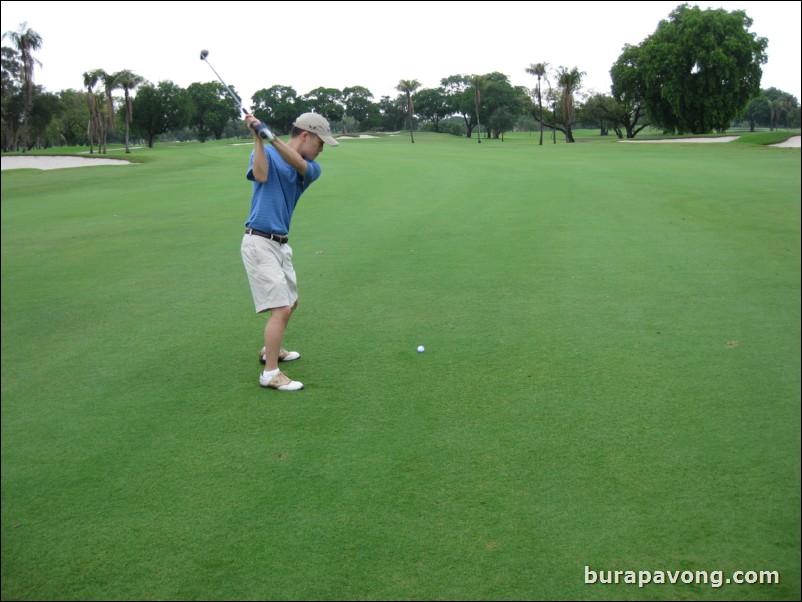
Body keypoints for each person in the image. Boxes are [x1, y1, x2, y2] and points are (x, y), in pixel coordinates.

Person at [240, 112, 339, 390]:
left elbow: (294, 160)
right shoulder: (268, 155)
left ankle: (269, 349)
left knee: (291, 303)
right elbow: (260, 175)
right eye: (320, 142)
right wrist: (258, 140)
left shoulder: (310, 168)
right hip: (258, 241)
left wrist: (269, 136)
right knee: (281, 308)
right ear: (305, 135)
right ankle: (270, 373)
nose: (322, 149)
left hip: (281, 244)